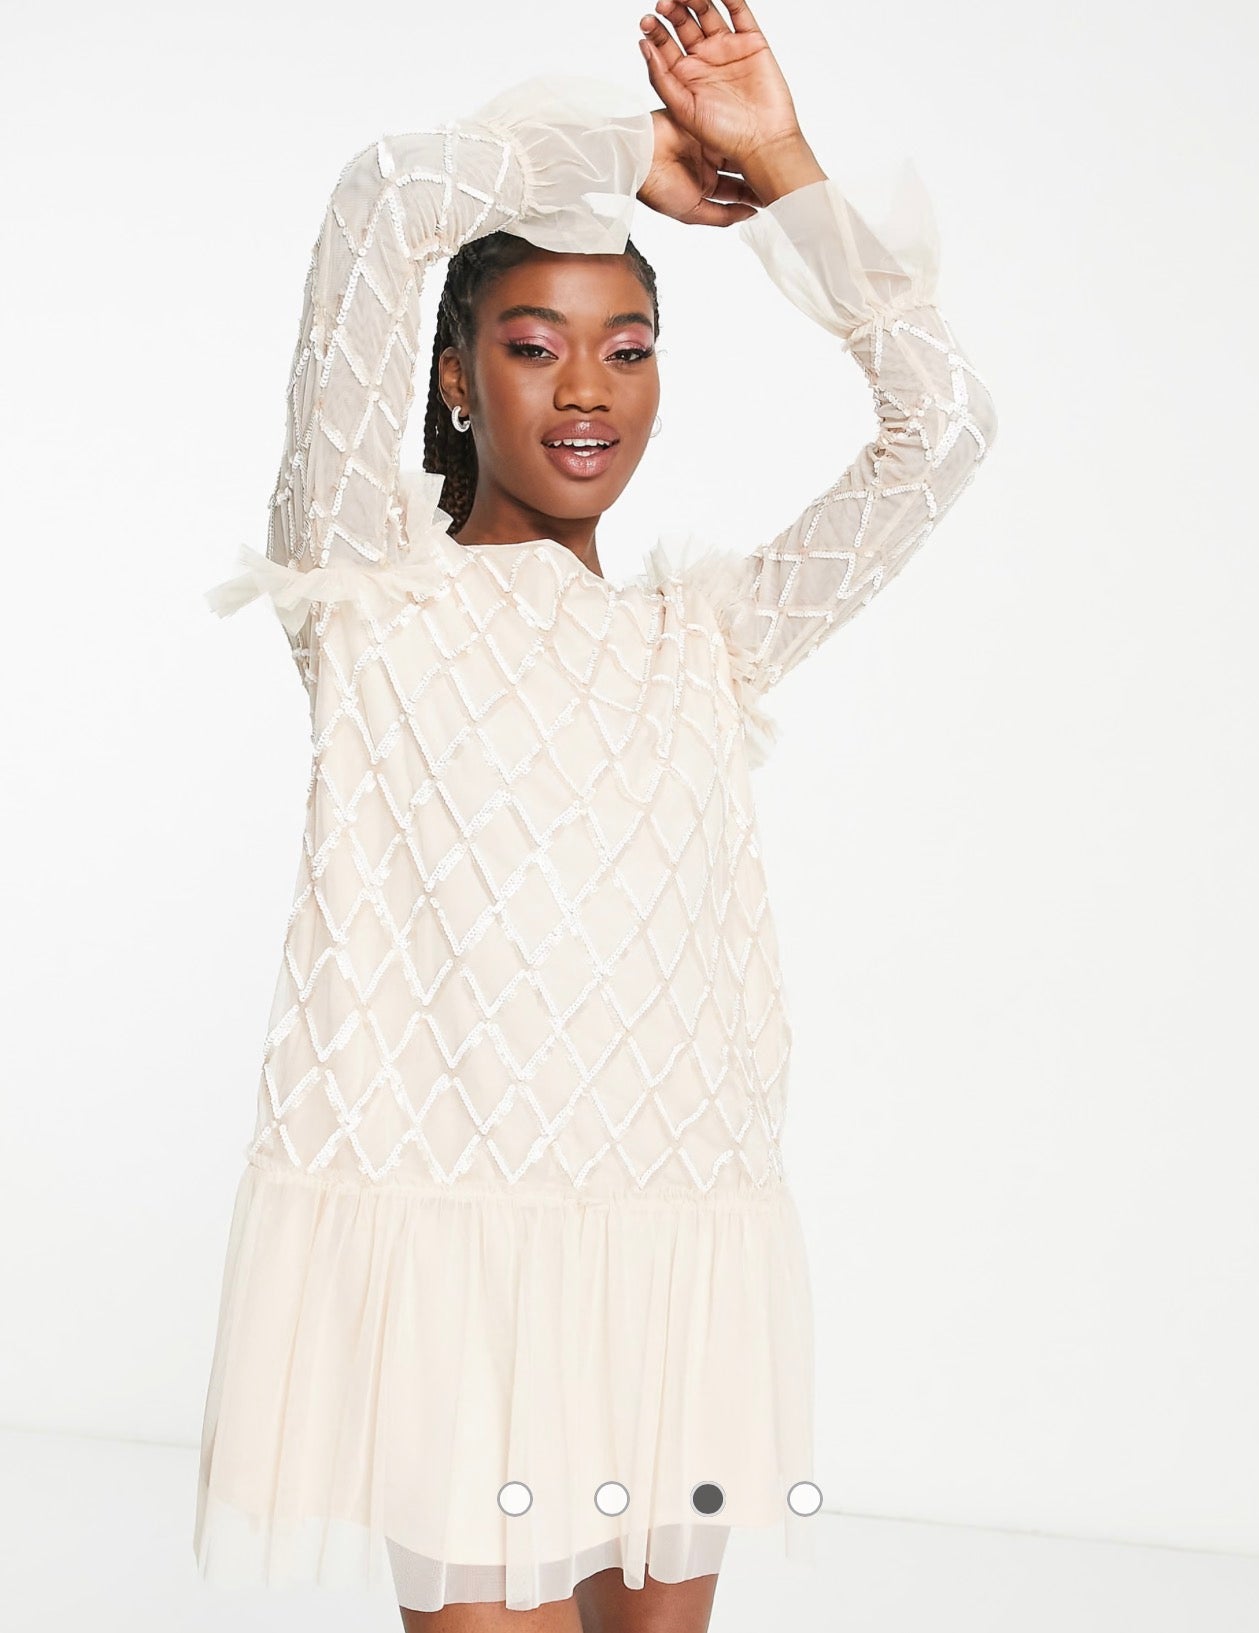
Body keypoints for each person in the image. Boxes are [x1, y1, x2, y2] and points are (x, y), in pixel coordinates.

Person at [196, 2, 998, 1629]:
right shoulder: (370, 591)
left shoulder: (703, 640)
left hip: (675, 1259)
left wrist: (784, 167)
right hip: (458, 1286)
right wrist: (634, 159)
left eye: (629, 346)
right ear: (453, 373)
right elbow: (384, 200)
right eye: (534, 341)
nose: (587, 389)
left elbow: (947, 429)